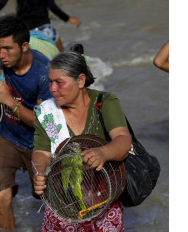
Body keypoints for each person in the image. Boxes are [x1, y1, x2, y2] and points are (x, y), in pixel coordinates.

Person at [32, 45, 132, 231]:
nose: (52, 89)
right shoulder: (47, 112)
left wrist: (104, 153)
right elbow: (41, 152)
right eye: (50, 82)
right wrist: (39, 172)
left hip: (103, 200)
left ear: (80, 80)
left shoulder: (104, 103)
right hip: (63, 203)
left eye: (59, 82)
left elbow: (123, 139)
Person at [0, 16, 53, 230]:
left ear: (25, 46)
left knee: (49, 198)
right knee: (1, 197)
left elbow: (43, 124)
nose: (2, 55)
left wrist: (9, 102)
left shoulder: (45, 73)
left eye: (8, 48)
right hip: (4, 135)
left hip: (37, 142)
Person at [0, 0, 81, 52]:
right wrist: (68, 18)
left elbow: (2, 2)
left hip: (25, 31)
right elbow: (52, 6)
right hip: (44, 29)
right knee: (61, 54)